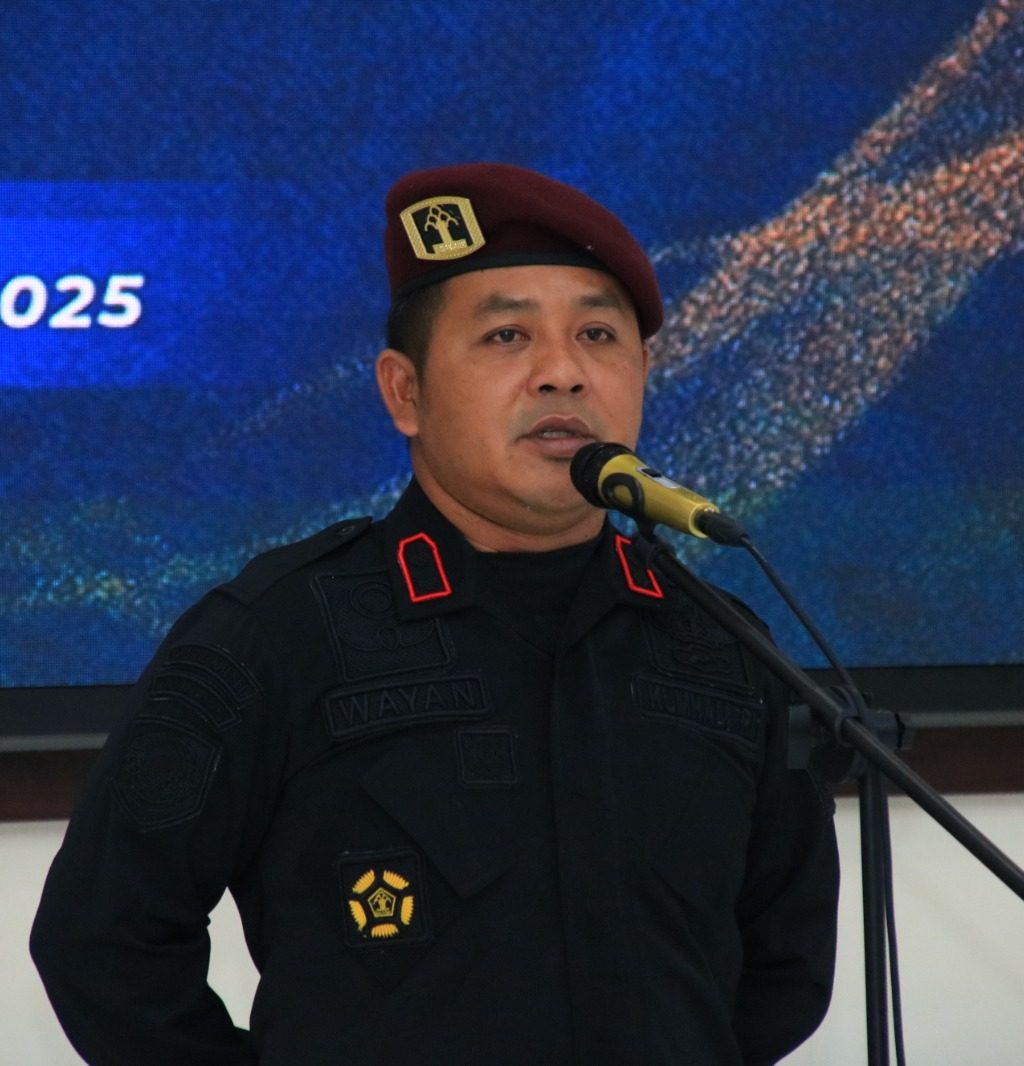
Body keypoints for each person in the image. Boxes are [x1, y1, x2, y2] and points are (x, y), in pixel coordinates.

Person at [32, 162, 839, 1065]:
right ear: (404, 392)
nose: (563, 375)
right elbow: (102, 942)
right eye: (506, 335)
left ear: (644, 372)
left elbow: (785, 966)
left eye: (598, 335)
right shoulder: (275, 636)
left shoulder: (720, 647)